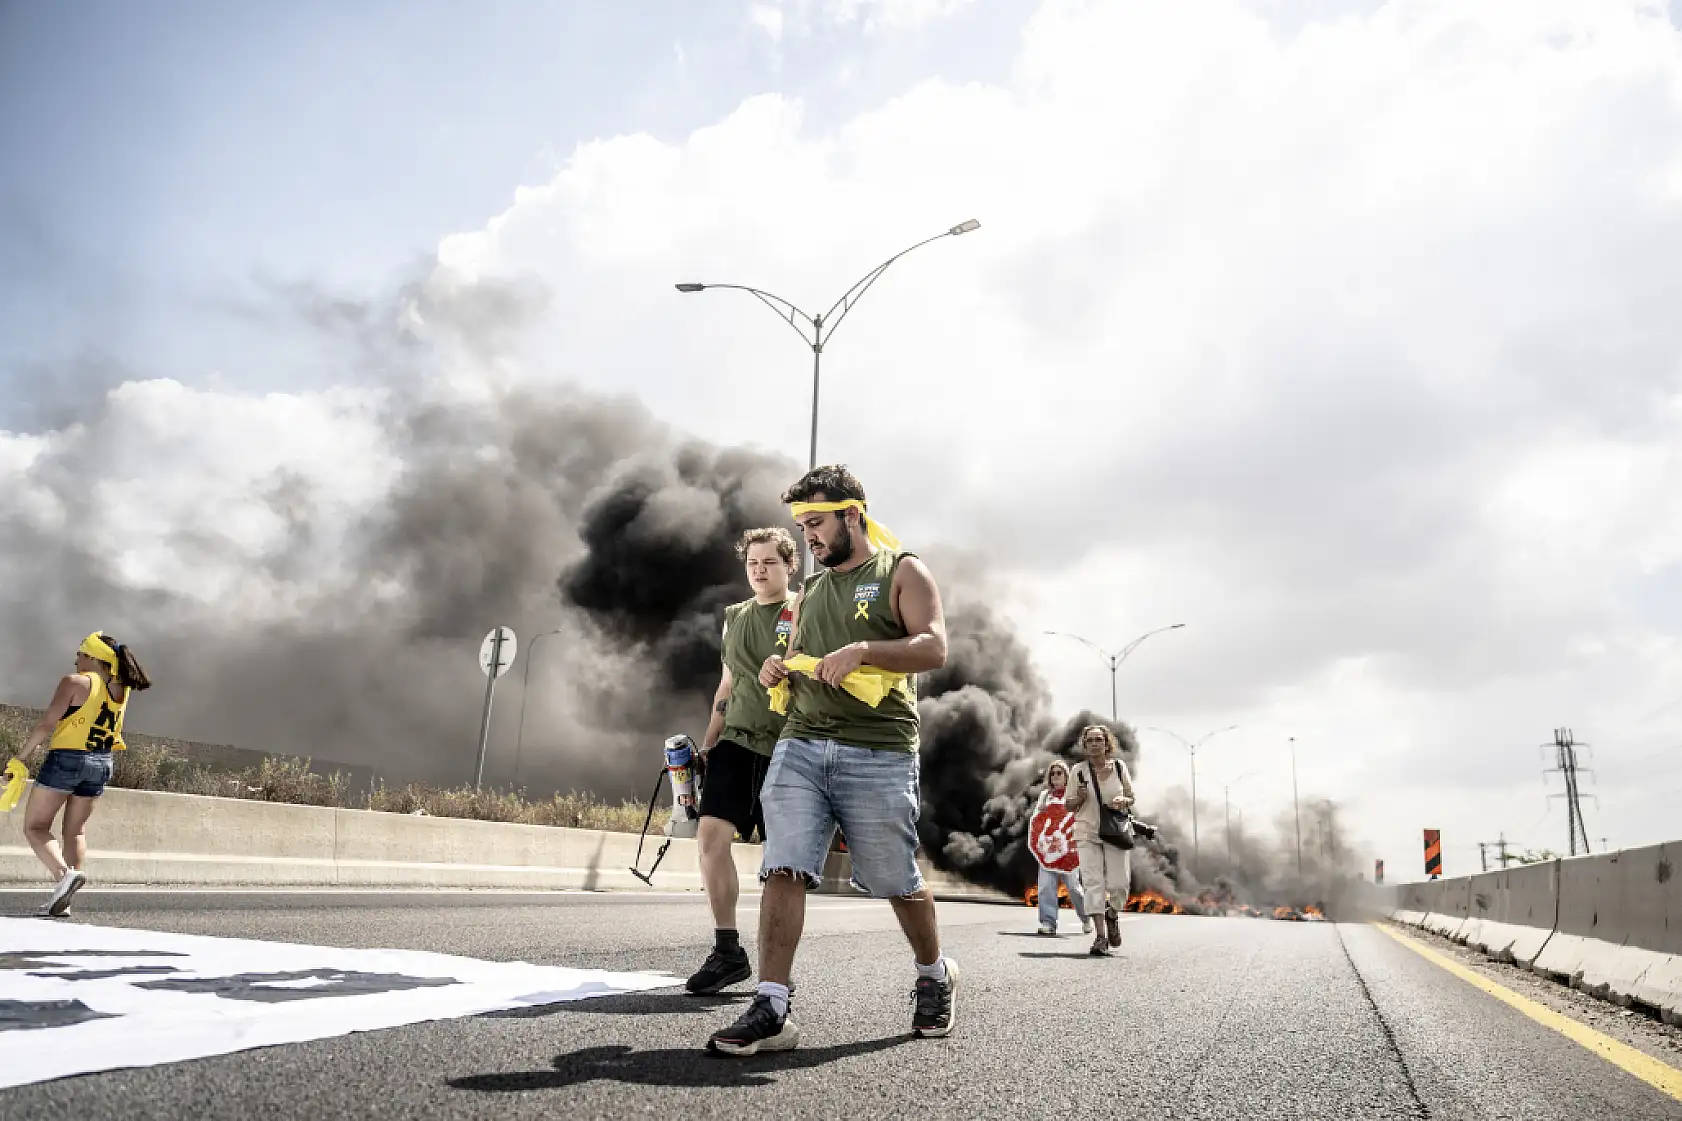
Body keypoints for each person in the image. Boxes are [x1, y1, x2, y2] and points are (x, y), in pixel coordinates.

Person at [707, 464, 954, 1056]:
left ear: (852, 514)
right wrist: (775, 669)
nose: (808, 537)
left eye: (816, 523)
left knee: (895, 880)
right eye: (802, 525)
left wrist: (866, 649)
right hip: (801, 742)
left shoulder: (902, 571)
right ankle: (772, 1004)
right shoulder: (811, 590)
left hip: (880, 750)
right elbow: (793, 654)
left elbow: (935, 646)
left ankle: (934, 973)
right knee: (783, 864)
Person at [685, 527, 799, 995]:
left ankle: (777, 976)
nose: (759, 570)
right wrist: (708, 745)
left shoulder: (804, 610)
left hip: (788, 746)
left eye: (769, 562)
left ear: (789, 565)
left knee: (784, 864)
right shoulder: (734, 617)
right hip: (736, 742)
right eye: (753, 563)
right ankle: (728, 949)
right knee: (711, 837)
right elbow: (727, 687)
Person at [16, 633, 152, 917]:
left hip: (68, 758)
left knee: (35, 827)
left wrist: (19, 759)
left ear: (93, 657)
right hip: (102, 762)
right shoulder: (121, 689)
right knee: (75, 831)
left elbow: (46, 725)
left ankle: (64, 875)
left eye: (80, 654)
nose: (76, 659)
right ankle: (64, 896)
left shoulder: (75, 682)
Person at [1066, 723, 1136, 957]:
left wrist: (1122, 801)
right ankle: (1100, 937)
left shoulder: (1118, 767)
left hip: (1114, 831)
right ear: (1085, 745)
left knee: (1120, 884)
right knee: (1092, 883)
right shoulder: (1078, 771)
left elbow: (1131, 796)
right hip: (1086, 832)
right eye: (1090, 740)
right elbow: (1068, 804)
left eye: (1099, 739)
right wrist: (1080, 798)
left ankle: (1112, 914)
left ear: (1107, 743)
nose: (1095, 743)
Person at [1030, 759, 1092, 937]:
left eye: (1060, 773)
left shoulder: (1073, 796)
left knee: (1074, 888)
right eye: (1053, 773)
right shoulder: (1044, 796)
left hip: (1069, 851)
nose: (1056, 776)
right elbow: (1037, 822)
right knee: (1045, 887)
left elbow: (1082, 820)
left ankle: (1086, 917)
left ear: (1067, 776)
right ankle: (1048, 923)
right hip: (1048, 850)